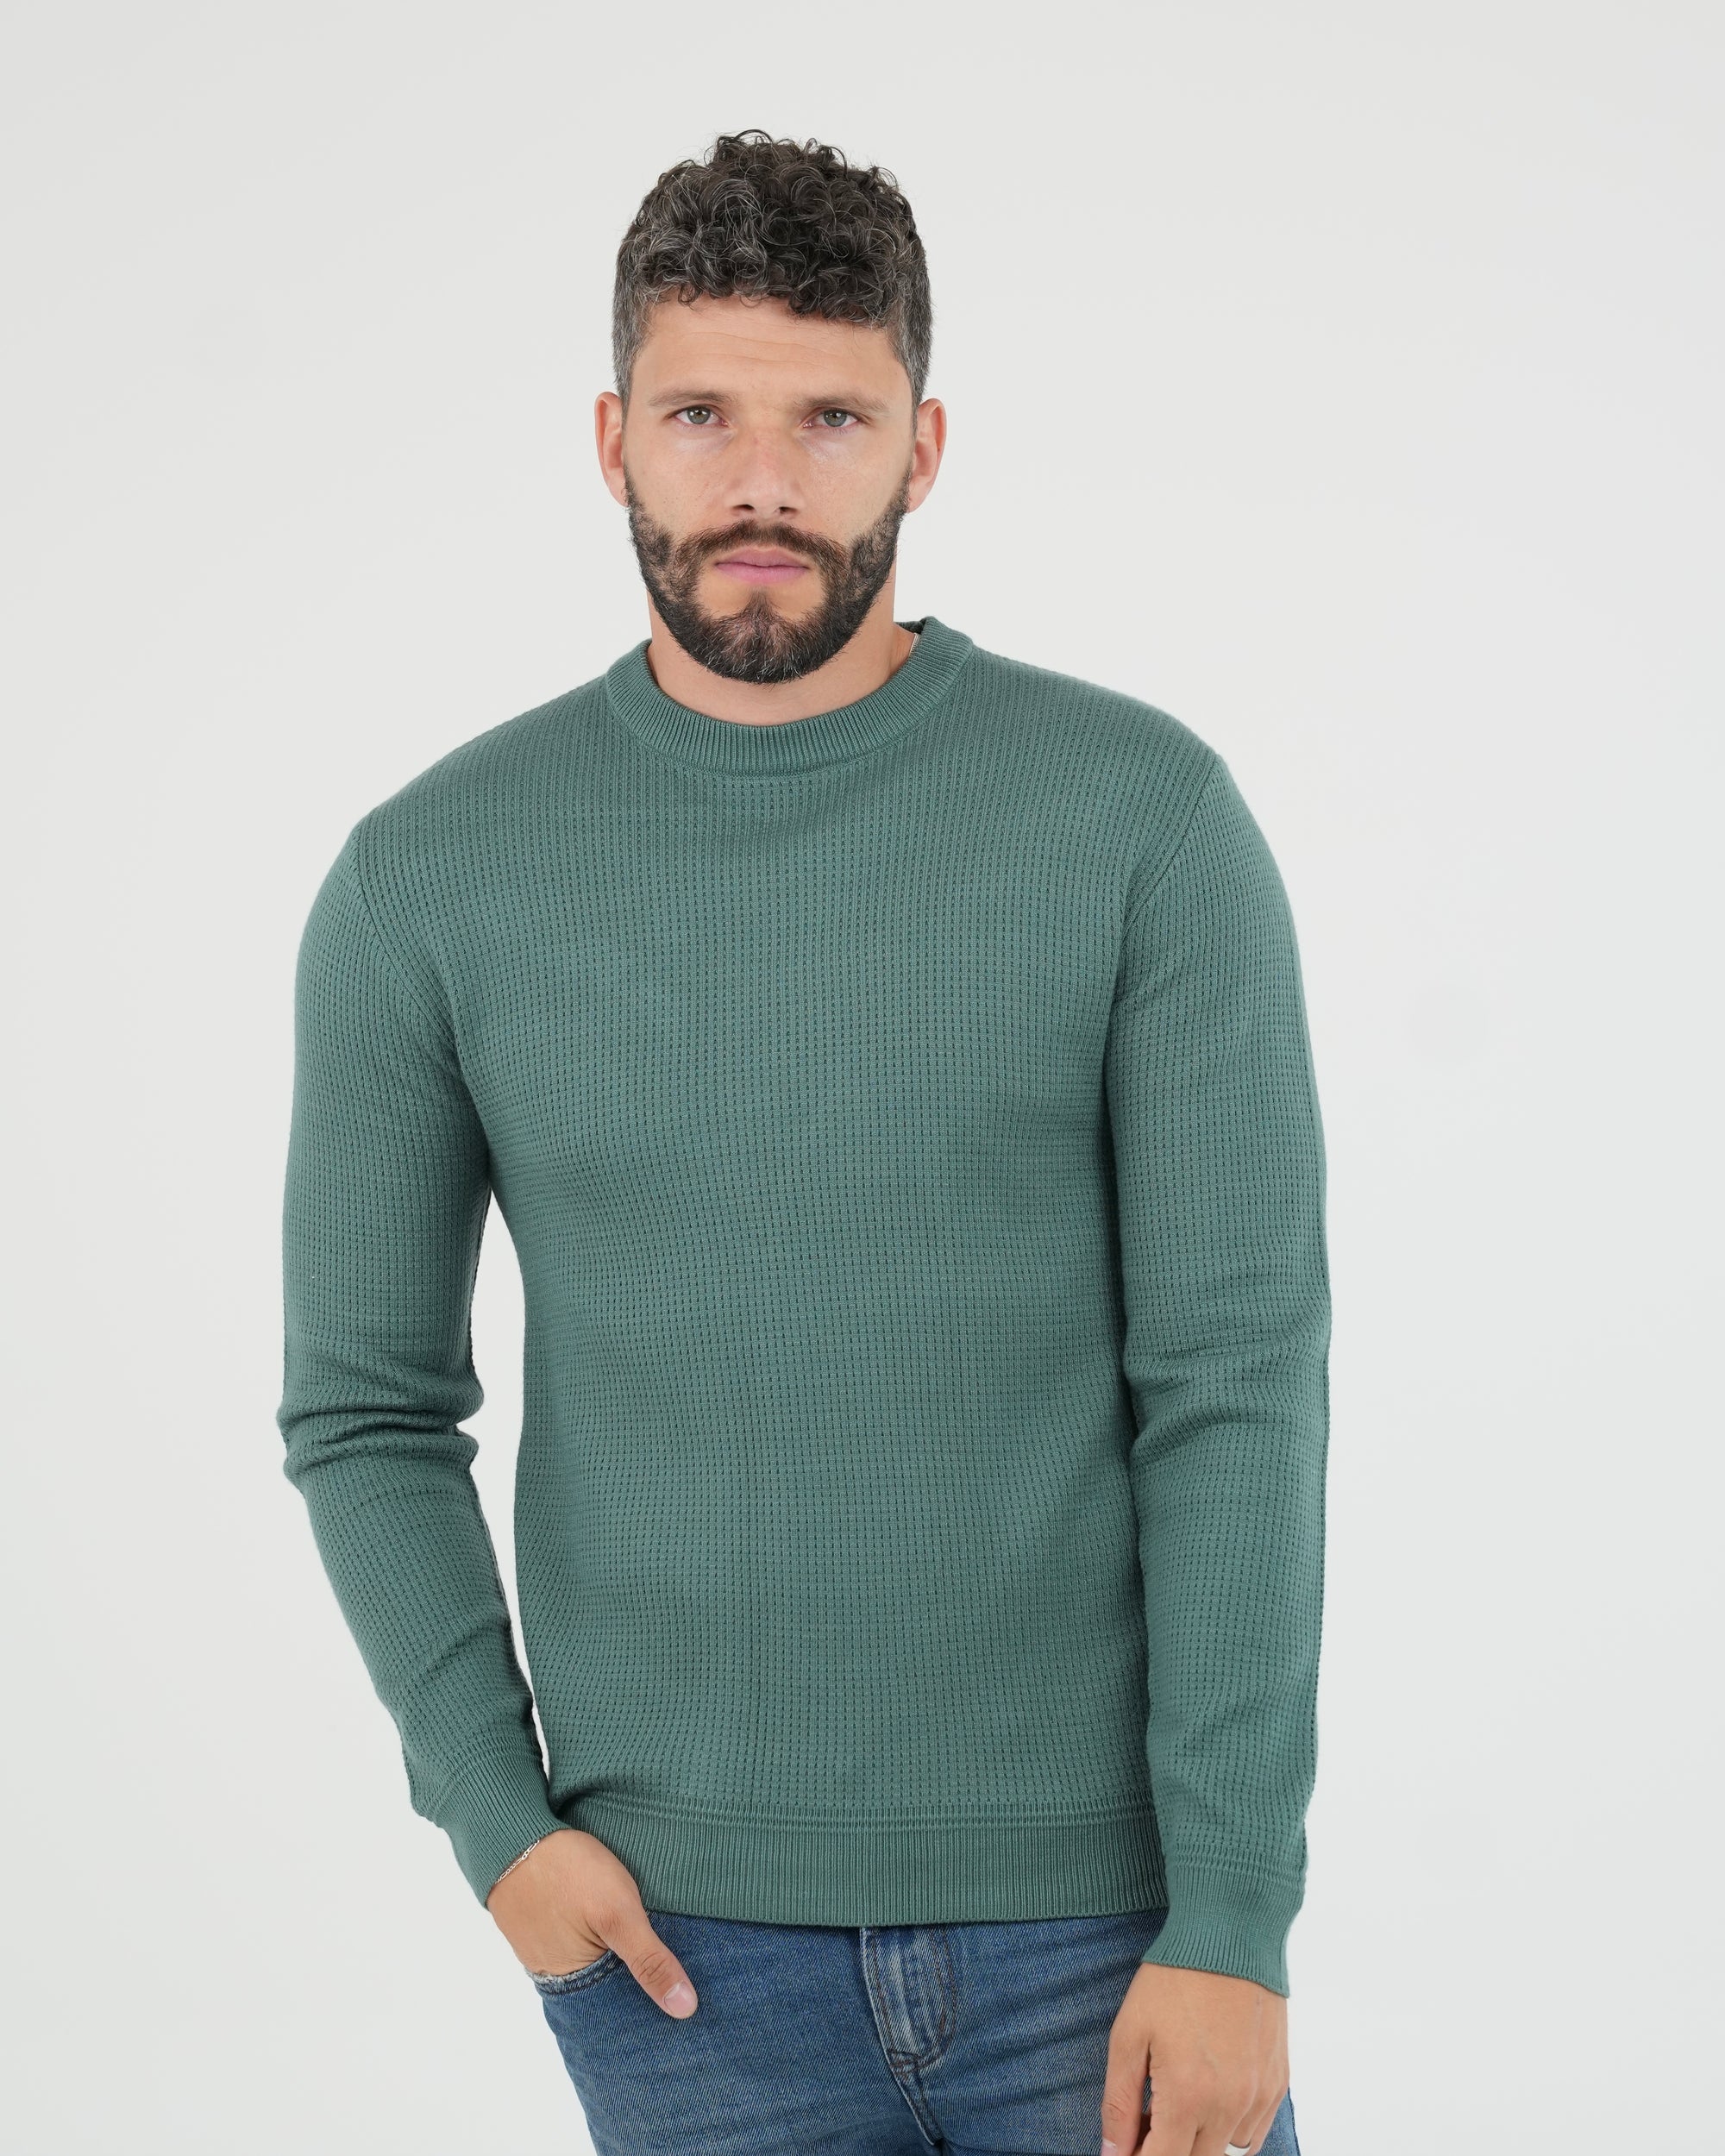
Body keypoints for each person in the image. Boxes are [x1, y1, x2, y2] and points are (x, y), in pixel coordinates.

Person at [276, 128, 1329, 2156]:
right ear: (613, 440)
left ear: (922, 445)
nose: (761, 481)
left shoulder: (1141, 821)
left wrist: (1233, 1913)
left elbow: (1233, 1385)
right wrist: (493, 1818)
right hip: (678, 1958)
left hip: (1111, 1940)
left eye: (829, 417)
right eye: (702, 414)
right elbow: (367, 1404)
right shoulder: (430, 876)